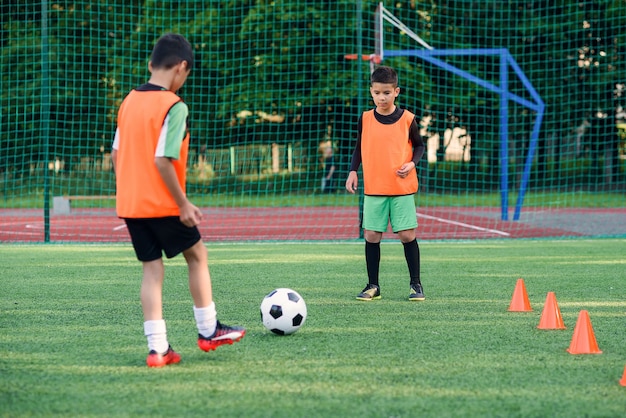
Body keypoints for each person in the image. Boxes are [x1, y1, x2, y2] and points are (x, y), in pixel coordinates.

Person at [111, 33, 245, 367]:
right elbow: (163, 159)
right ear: (182, 68)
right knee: (197, 255)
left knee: (152, 270)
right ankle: (208, 329)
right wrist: (183, 203)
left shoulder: (127, 102)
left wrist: (130, 188)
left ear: (150, 64)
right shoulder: (174, 105)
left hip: (131, 204)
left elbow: (116, 153)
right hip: (162, 203)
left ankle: (158, 350)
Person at [345, 66, 426, 302]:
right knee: (371, 236)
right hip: (374, 188)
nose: (382, 97)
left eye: (387, 93)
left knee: (407, 235)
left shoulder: (408, 119)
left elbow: (419, 145)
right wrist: (353, 171)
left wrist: (412, 163)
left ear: (396, 91)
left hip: (401, 188)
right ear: (371, 92)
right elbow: (359, 146)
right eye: (378, 93)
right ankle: (373, 285)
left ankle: (416, 284)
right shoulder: (366, 118)